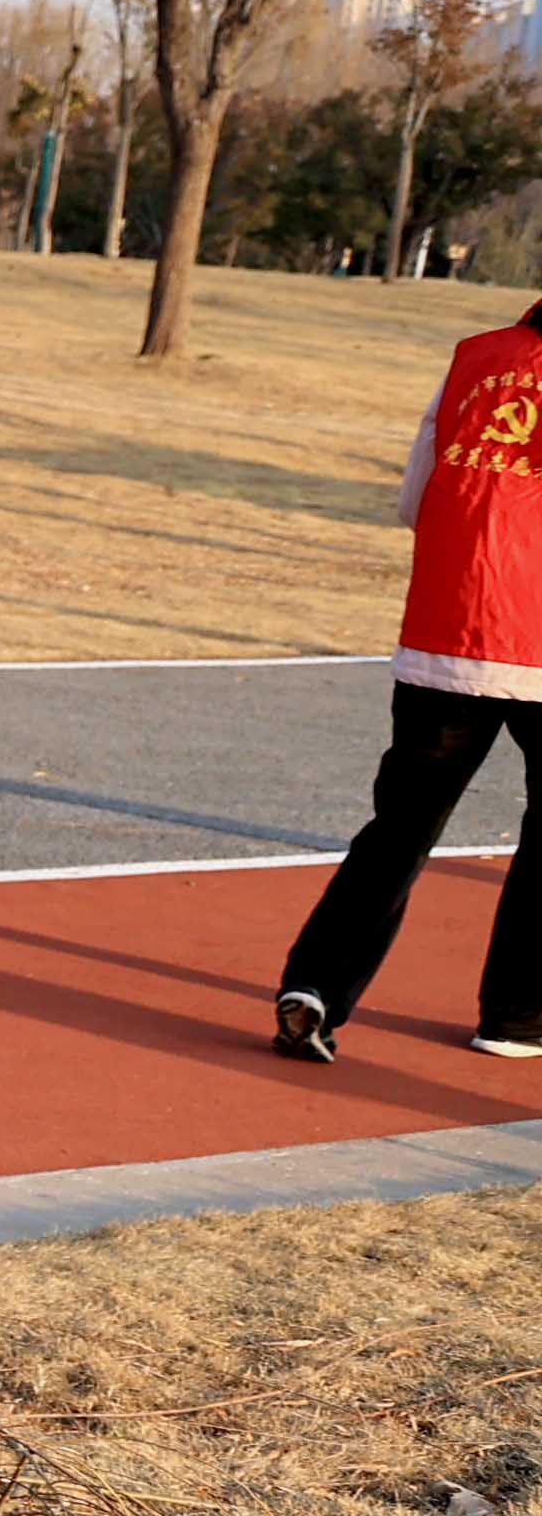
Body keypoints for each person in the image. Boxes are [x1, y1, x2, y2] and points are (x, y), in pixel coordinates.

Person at [274, 292, 542, 1068]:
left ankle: (316, 987)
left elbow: (413, 500)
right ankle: (517, 1016)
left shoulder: (473, 359)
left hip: (446, 635)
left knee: (398, 831)